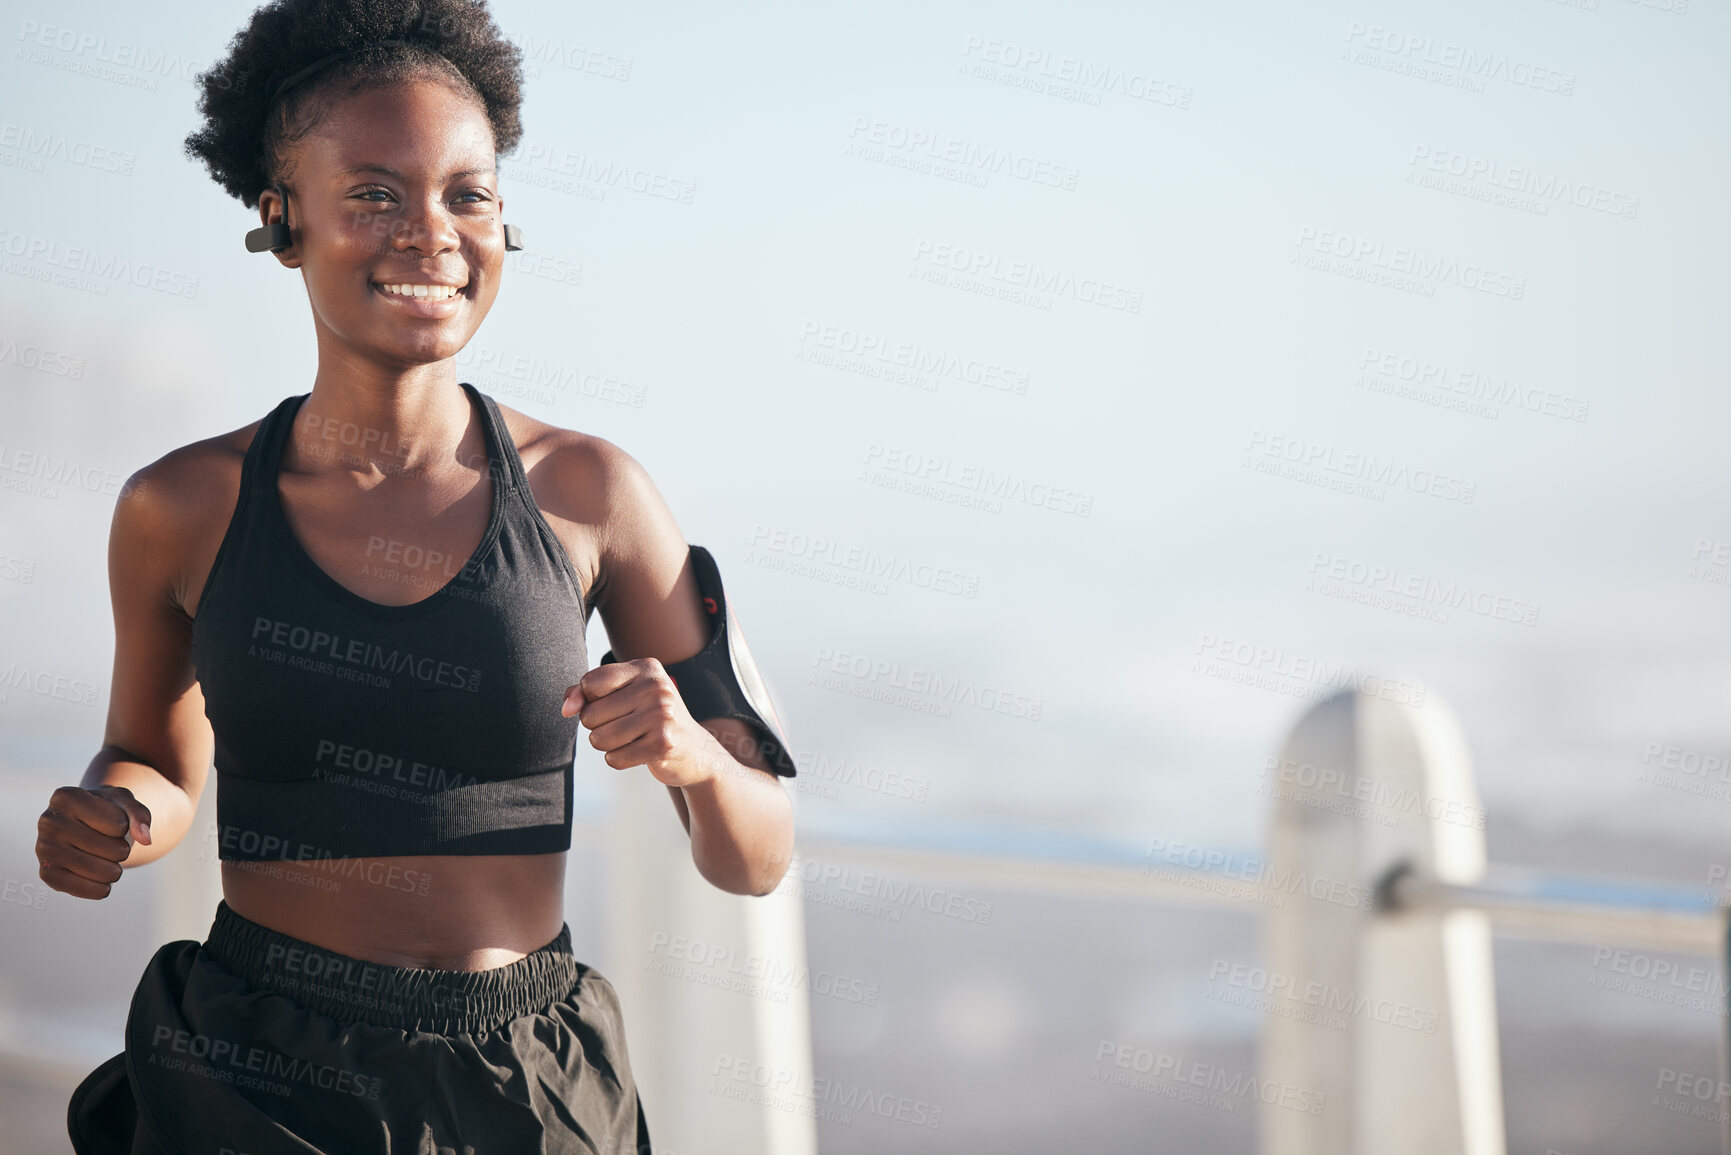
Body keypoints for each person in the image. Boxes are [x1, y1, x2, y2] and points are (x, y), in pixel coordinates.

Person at [34, 1, 798, 1151]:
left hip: (530, 1081)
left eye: (467, 194)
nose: (431, 232)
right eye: (375, 194)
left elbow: (758, 852)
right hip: (251, 1076)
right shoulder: (180, 506)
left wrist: (690, 753)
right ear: (281, 220)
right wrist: (114, 818)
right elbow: (153, 759)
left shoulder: (593, 492)